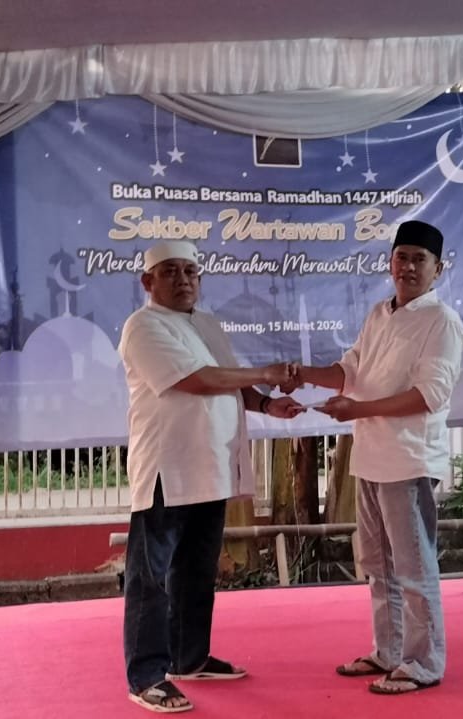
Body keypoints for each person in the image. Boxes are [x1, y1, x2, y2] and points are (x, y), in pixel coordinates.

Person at [117, 239, 306, 713]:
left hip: (210, 467)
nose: (183, 280)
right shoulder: (142, 326)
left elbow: (230, 380)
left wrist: (266, 403)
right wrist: (265, 371)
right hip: (167, 469)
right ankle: (146, 676)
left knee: (197, 570)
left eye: (190, 272)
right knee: (151, 578)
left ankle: (189, 658)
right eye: (170, 272)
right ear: (148, 281)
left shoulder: (207, 324)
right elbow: (198, 379)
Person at [291, 220, 463, 695]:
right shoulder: (379, 313)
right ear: (390, 263)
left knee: (413, 566)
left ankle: (424, 661)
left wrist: (357, 410)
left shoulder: (442, 321)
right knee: (377, 563)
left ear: (437, 270)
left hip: (408, 460)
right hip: (370, 457)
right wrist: (301, 374)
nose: (408, 267)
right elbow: (350, 370)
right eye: (401, 257)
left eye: (419, 260)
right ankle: (388, 651)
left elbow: (429, 395)